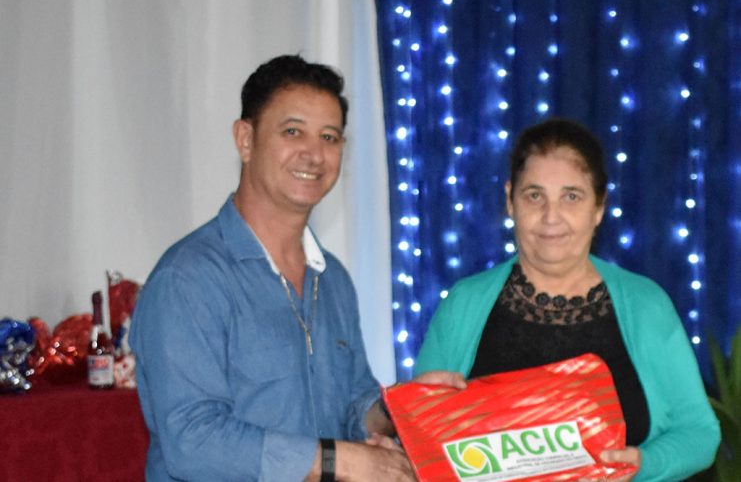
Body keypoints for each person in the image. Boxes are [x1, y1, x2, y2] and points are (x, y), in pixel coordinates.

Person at [130, 55, 462, 482]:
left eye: (329, 137)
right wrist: (341, 461)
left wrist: (404, 408)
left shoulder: (332, 278)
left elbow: (352, 405)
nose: (314, 154)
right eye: (292, 131)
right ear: (245, 139)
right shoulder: (188, 278)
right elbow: (192, 442)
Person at [414, 118, 720, 481]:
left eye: (571, 196)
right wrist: (421, 410)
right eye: (534, 196)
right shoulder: (463, 303)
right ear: (510, 200)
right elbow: (422, 441)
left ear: (599, 207)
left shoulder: (646, 305)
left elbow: (700, 434)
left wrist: (643, 463)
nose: (551, 217)